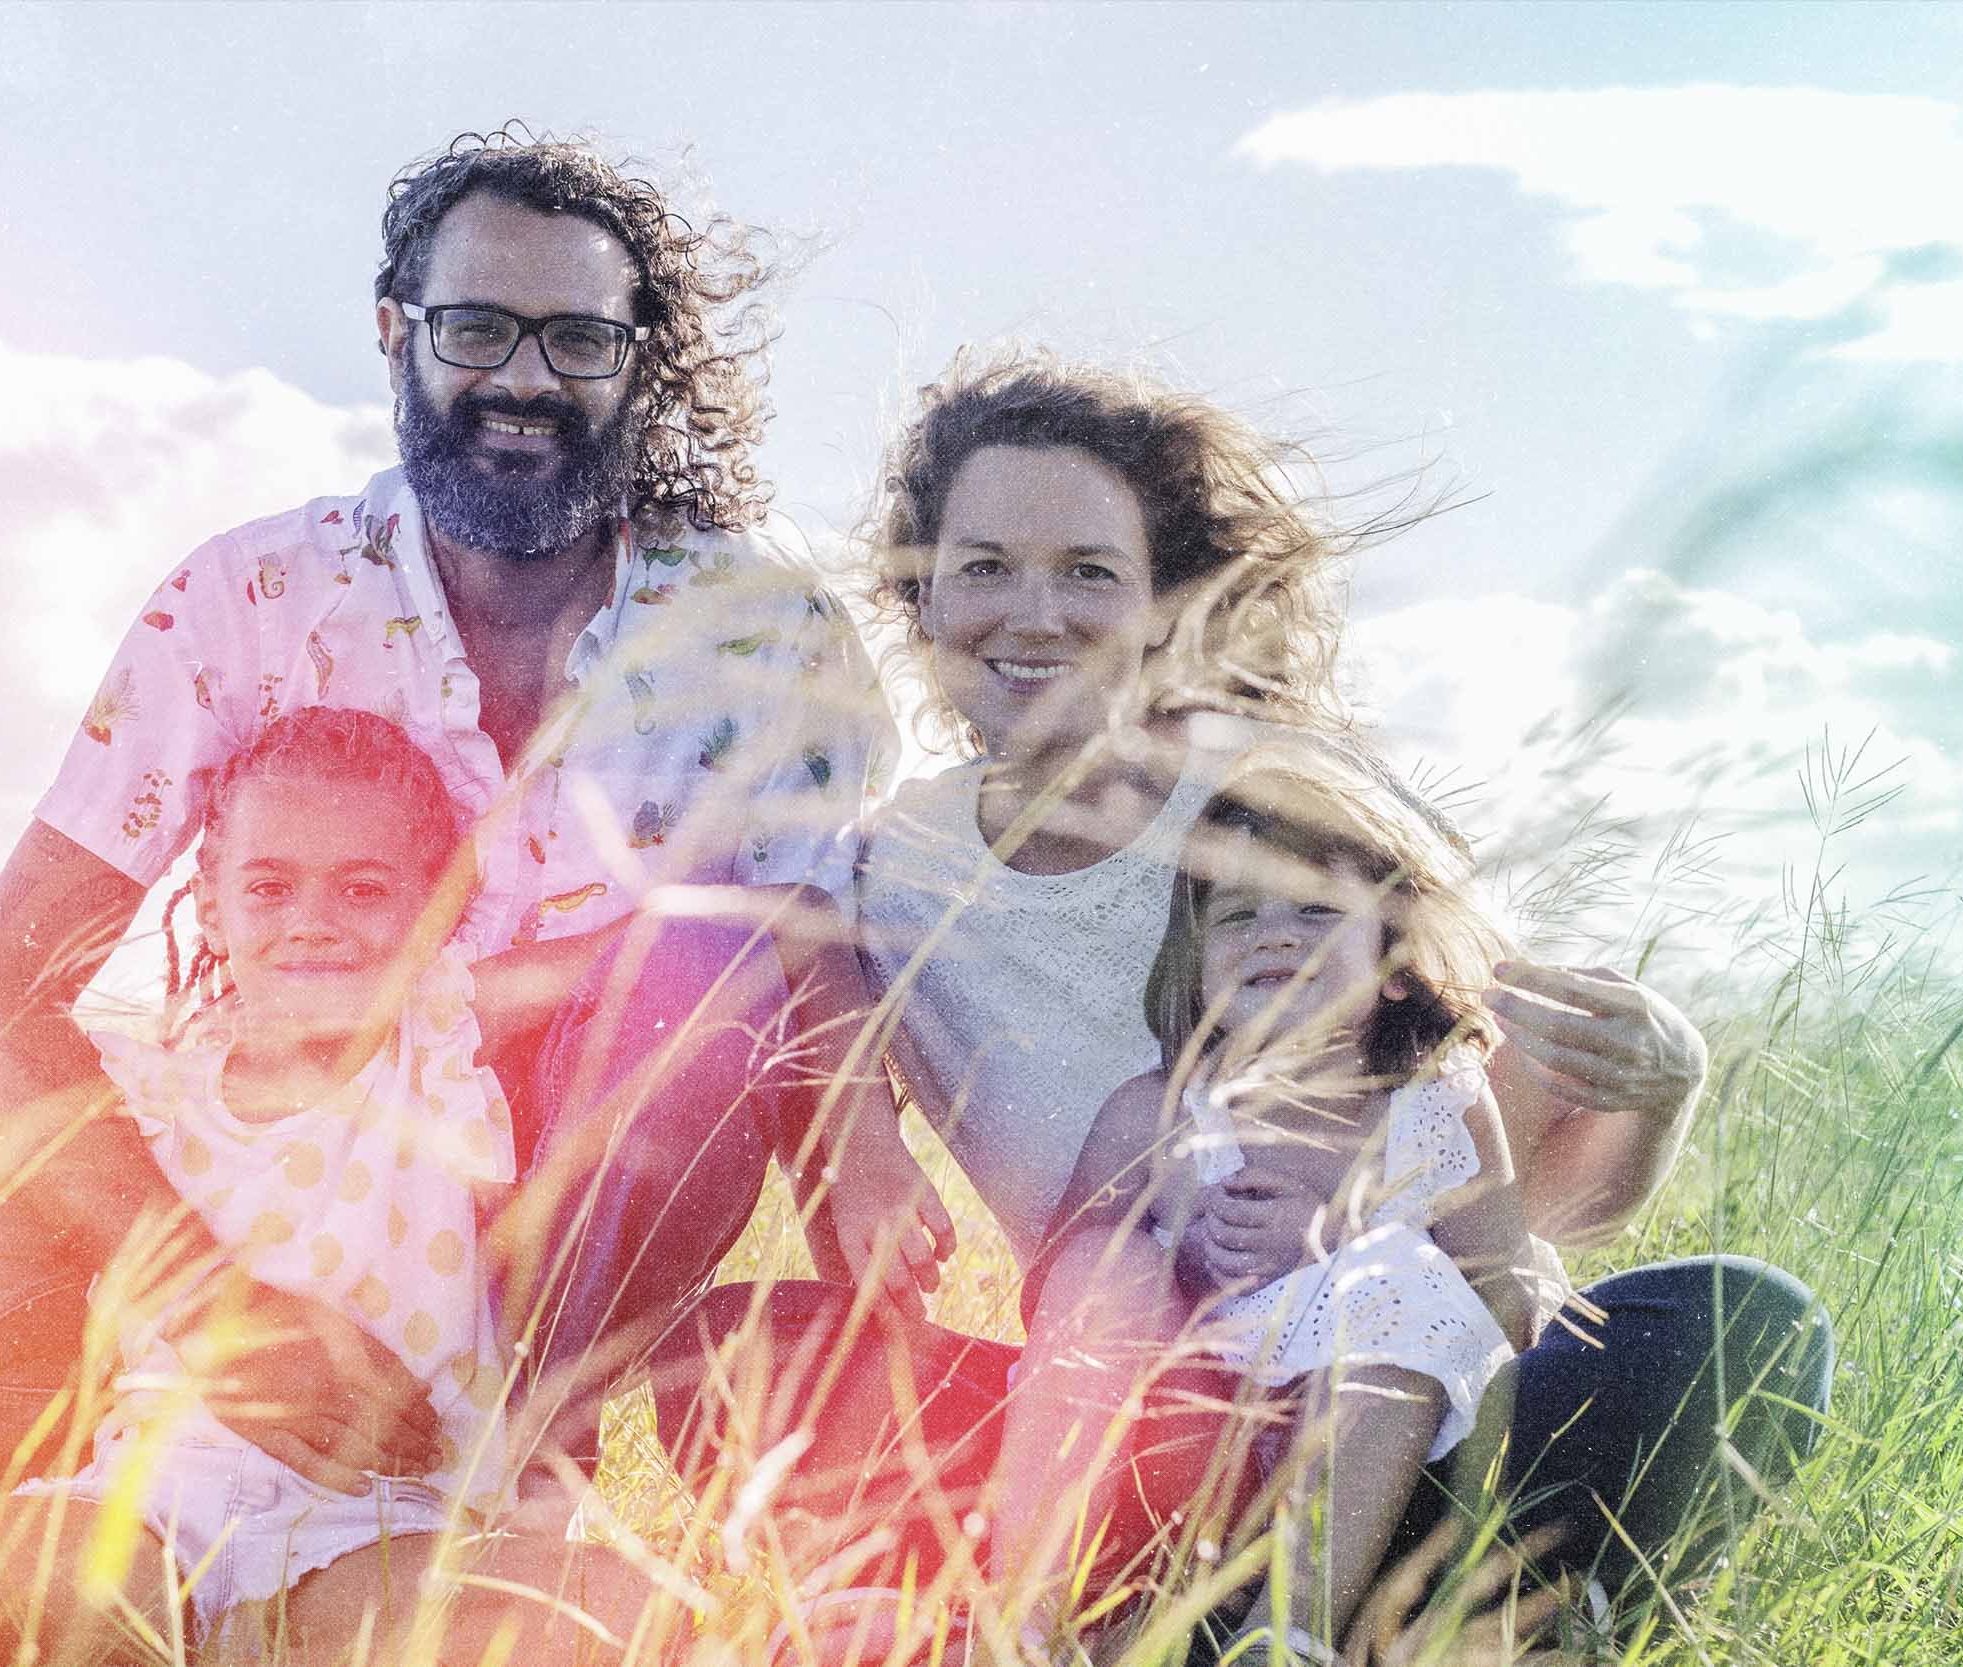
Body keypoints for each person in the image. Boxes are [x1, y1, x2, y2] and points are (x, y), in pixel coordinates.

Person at [0, 128, 939, 1504]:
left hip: (558, 1222)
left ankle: (517, 1452)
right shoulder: (248, 599)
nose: (525, 380)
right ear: (393, 332)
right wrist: (220, 1303)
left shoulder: (763, 630)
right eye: (476, 327)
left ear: (638, 358)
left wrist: (867, 1153)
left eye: (578, 340)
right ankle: (164, 1522)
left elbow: (806, 942)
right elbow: (0, 995)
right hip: (251, 1181)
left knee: (701, 967)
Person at [651, 350, 1832, 1657]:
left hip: (1401, 1386)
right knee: (732, 1352)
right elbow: (782, 949)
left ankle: (1359, 1612)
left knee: (1741, 1322)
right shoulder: (897, 867)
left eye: (1089, 571)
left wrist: (1656, 1090)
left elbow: (1509, 1172)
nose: (1028, 612)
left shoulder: (1300, 807)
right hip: (1130, 1432)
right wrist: (861, 1137)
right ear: (923, 598)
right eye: (982, 565)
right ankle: (1288, 1627)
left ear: (1168, 604)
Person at [0, 708, 654, 1664]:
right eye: (269, 887)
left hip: (376, 1534)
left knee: (610, 1603)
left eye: (363, 889)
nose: (311, 922)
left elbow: (649, 957)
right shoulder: (142, 1094)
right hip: (145, 1527)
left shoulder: (442, 1036)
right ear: (209, 902)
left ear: (438, 904)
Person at [991, 754, 1537, 1663]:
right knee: (1102, 1262)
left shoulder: (1435, 1106)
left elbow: (1509, 1304)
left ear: (1398, 965)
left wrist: (1343, 1243)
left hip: (1374, 1461)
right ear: (1196, 966)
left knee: (1391, 1279)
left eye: (1316, 909)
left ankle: (1286, 1633)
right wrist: (1181, 1267)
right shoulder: (1159, 1110)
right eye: (1238, 914)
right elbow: (1049, 1287)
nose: (1275, 934)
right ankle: (1022, 1615)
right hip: (1184, 1446)